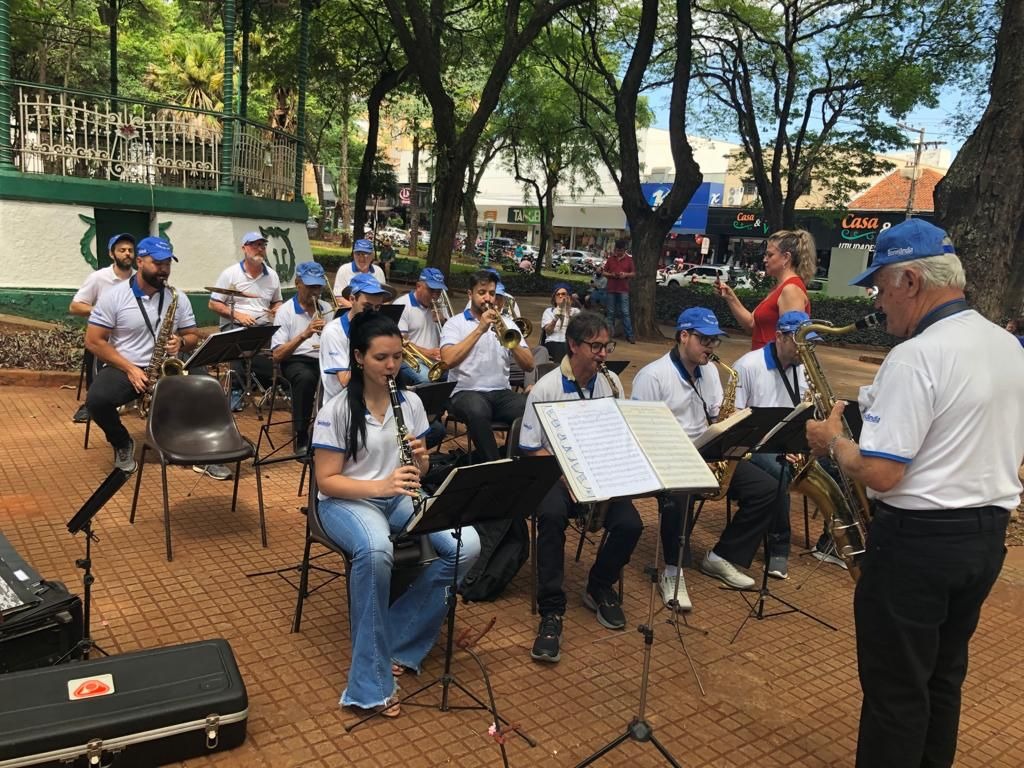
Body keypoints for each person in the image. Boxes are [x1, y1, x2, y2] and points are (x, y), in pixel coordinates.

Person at [805, 218, 1024, 768]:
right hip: (985, 538)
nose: (879, 303)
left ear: (910, 280)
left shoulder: (917, 356)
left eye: (880, 288)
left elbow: (880, 472)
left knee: (896, 694)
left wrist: (833, 442)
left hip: (917, 547)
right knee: (943, 678)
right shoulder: (1007, 345)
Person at [311, 311, 481, 717]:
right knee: (374, 550)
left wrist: (421, 461)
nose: (392, 367)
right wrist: (380, 487)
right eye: (381, 358)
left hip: (399, 494)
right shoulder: (336, 410)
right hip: (346, 501)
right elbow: (326, 481)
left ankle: (399, 639)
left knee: (467, 544)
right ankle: (369, 685)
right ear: (358, 358)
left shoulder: (412, 403)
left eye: (396, 358)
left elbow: (417, 473)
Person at [631, 307, 786, 611]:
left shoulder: (712, 372)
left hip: (707, 454)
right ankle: (672, 573)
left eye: (715, 341)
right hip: (668, 457)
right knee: (680, 494)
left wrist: (731, 437)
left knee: (770, 488)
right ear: (683, 336)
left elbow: (717, 415)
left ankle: (723, 556)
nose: (711, 348)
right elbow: (641, 433)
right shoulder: (652, 376)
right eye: (704, 340)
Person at [520, 312, 640, 662]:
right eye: (596, 346)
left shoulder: (607, 384)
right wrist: (568, 476)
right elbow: (530, 447)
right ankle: (552, 610)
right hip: (555, 474)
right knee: (552, 516)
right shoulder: (546, 388)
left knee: (631, 524)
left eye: (607, 346)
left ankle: (599, 584)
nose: (603, 354)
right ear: (573, 346)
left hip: (596, 475)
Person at [84, 237, 200, 473]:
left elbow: (192, 336)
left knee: (206, 390)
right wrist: (130, 369)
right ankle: (122, 442)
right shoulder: (114, 296)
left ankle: (201, 450)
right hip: (126, 365)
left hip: (166, 365)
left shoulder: (177, 297)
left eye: (167, 263)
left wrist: (181, 342)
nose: (164, 270)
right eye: (157, 263)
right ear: (139, 261)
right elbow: (93, 341)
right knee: (97, 401)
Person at [732, 310, 815, 579]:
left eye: (809, 344)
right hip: (756, 446)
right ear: (779, 337)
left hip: (792, 444)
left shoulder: (804, 368)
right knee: (778, 474)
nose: (805, 349)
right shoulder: (748, 365)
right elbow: (735, 421)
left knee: (844, 465)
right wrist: (779, 447)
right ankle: (779, 547)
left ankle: (833, 543)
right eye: (799, 342)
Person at [439, 270, 534, 461]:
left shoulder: (507, 323)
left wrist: (512, 342)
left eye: (491, 293)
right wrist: (480, 330)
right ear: (470, 294)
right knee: (477, 410)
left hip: (500, 392)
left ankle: (510, 457)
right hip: (465, 392)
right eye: (482, 292)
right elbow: (447, 361)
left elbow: (529, 365)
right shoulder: (455, 323)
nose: (487, 298)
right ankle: (492, 464)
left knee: (532, 409)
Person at [208, 231, 283, 412]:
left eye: (262, 245)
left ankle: (273, 386)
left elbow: (277, 301)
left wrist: (277, 309)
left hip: (264, 324)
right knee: (238, 339)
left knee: (283, 343)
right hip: (235, 323)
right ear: (244, 248)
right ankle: (235, 389)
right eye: (254, 245)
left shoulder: (272, 276)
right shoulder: (230, 274)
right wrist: (238, 315)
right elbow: (213, 303)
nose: (259, 249)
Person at [69, 233, 136, 423]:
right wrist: (101, 311)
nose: (127, 254)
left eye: (130, 250)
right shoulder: (98, 278)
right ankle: (92, 403)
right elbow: (75, 306)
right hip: (104, 335)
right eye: (122, 250)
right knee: (97, 346)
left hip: (130, 335)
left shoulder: (139, 279)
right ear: (111, 254)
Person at [717, 229, 816, 350]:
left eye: (770, 255)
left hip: (772, 366)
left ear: (786, 257)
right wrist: (730, 297)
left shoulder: (791, 290)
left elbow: (791, 343)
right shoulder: (779, 288)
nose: (764, 259)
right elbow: (752, 325)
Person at [270, 261, 329, 451]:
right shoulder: (285, 311)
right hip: (296, 360)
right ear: (298, 283)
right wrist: (305, 334)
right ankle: (301, 436)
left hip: (326, 358)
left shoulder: (327, 308)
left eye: (318, 286)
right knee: (306, 379)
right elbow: (277, 354)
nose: (315, 291)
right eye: (310, 286)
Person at [319, 273, 391, 403]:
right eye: (367, 306)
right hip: (342, 404)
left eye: (378, 307)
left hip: (370, 398)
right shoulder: (333, 331)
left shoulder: (375, 329)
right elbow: (345, 380)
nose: (373, 313)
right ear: (352, 299)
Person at [393, 268, 447, 386]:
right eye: (431, 290)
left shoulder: (440, 306)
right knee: (427, 379)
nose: (435, 296)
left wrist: (443, 321)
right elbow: (401, 343)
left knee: (457, 374)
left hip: (436, 359)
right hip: (410, 359)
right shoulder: (402, 305)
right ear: (418, 286)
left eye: (438, 292)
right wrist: (427, 353)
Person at [332, 239, 386, 308]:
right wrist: (358, 309)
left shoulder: (378, 271)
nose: (361, 257)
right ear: (353, 254)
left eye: (365, 254)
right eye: (358, 254)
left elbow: (384, 298)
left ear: (372, 255)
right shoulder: (344, 269)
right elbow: (338, 297)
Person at [601, 238, 636, 343]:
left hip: (623, 289)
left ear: (624, 250)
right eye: (617, 250)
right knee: (610, 312)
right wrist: (611, 275)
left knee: (625, 312)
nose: (618, 252)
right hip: (611, 288)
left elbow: (633, 273)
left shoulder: (629, 260)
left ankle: (629, 335)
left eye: (620, 251)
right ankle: (609, 334)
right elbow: (604, 272)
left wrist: (625, 274)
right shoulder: (611, 259)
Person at [540, 283, 580, 363]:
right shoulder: (549, 311)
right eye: (557, 294)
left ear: (568, 297)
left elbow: (578, 331)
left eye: (563, 294)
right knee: (559, 348)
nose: (560, 296)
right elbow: (548, 331)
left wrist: (568, 310)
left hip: (570, 342)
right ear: (554, 298)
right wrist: (556, 318)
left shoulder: (575, 311)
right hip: (553, 342)